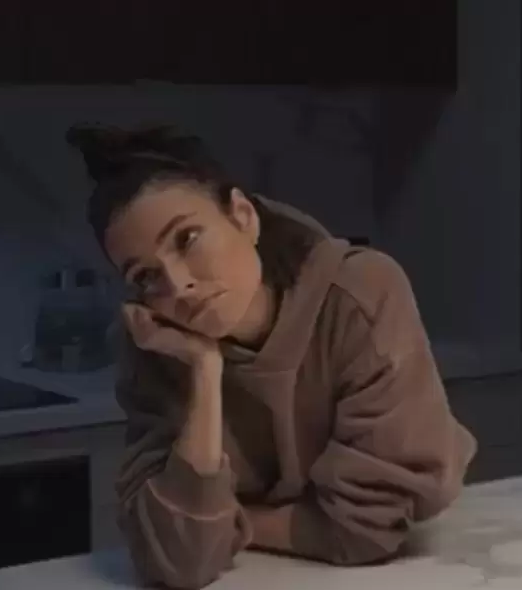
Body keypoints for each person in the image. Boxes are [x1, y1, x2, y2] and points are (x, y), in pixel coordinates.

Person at [66, 124, 477, 589]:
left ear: (243, 215)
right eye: (145, 276)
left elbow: (365, 531)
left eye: (187, 239)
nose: (178, 286)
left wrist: (230, 524)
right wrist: (204, 371)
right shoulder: (156, 346)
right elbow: (179, 562)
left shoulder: (359, 294)